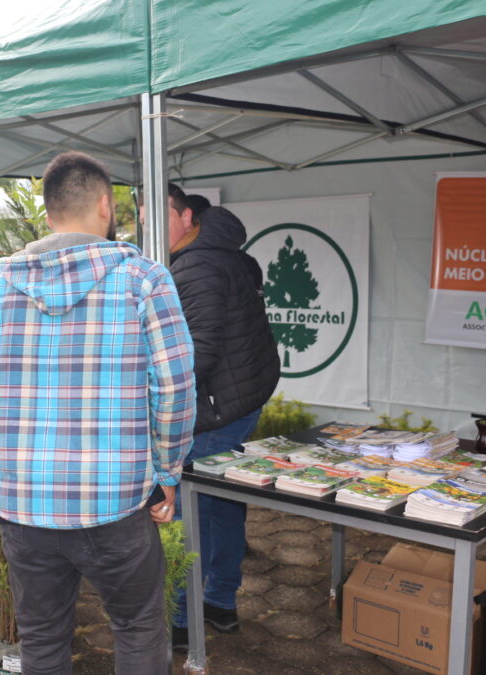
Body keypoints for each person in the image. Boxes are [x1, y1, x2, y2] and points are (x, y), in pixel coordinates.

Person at [0, 151, 196, 674]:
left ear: (47, 214)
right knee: (136, 628)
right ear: (106, 206)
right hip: (115, 501)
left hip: (23, 503)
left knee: (41, 639)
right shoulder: (145, 281)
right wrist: (168, 471)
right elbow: (175, 388)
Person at [164, 184, 281, 648]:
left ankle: (178, 619)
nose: (150, 226)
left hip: (213, 409)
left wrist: (162, 407)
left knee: (190, 514)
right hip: (242, 400)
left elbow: (198, 352)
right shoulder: (228, 253)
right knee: (224, 501)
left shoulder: (195, 265)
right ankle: (221, 602)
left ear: (188, 216)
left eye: (161, 216)